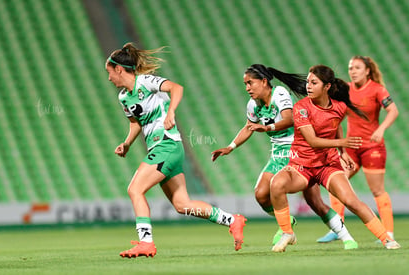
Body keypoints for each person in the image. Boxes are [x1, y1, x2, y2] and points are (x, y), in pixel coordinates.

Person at [106, 42, 246, 258]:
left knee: (135, 190)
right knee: (183, 205)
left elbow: (176, 88)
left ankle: (146, 242)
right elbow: (135, 123)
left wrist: (171, 112)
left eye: (109, 72)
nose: (109, 78)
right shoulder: (124, 97)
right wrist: (126, 143)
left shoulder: (145, 82)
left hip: (167, 144)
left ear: (119, 69)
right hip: (163, 148)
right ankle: (232, 220)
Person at [211, 64, 358, 250]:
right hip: (278, 153)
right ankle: (287, 223)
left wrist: (267, 128)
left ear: (264, 82)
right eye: (245, 84)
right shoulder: (253, 105)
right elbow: (248, 126)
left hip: (298, 151)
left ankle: (346, 237)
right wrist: (230, 147)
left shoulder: (279, 93)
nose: (247, 88)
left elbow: (290, 119)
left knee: (315, 202)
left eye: (250, 83)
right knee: (261, 195)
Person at [270, 64, 401, 252]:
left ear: (327, 87)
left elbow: (335, 126)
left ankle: (386, 239)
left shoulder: (339, 107)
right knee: (276, 184)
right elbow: (313, 141)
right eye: (308, 82)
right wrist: (343, 144)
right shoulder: (301, 108)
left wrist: (343, 153)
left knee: (351, 201)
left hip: (327, 166)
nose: (308, 86)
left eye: (314, 83)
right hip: (301, 166)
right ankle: (287, 232)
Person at [318, 56, 399, 243]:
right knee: (335, 183)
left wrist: (381, 129)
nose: (353, 71)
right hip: (352, 147)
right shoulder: (345, 90)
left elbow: (393, 111)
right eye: (350, 68)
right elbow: (338, 115)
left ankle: (389, 233)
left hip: (372, 147)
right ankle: (337, 228)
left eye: (357, 68)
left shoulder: (377, 90)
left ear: (367, 71)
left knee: (377, 190)